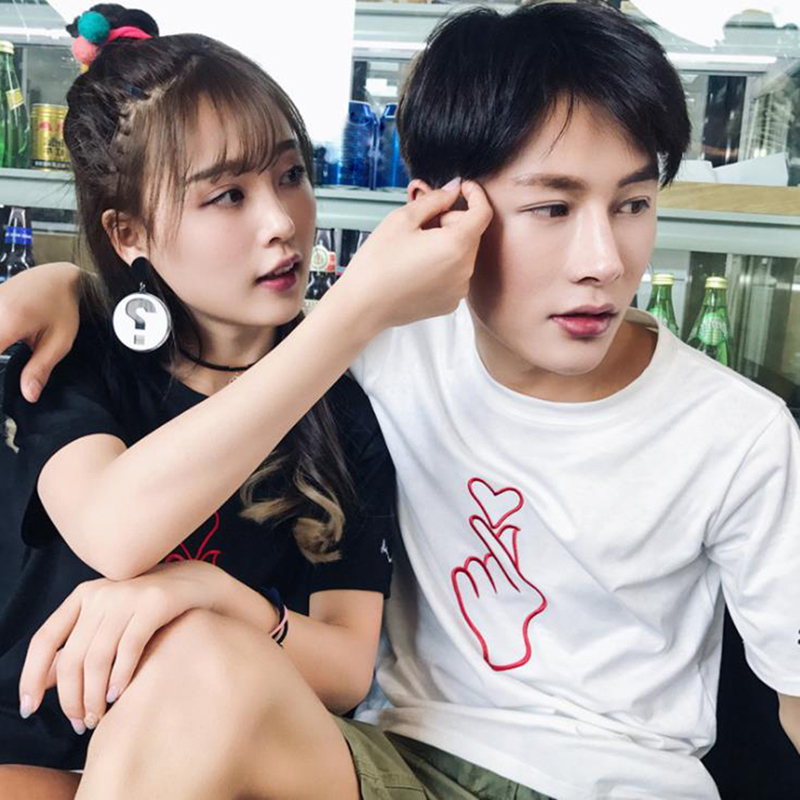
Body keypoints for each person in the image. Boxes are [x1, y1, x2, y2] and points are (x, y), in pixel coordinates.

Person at [2, 3, 800, 800]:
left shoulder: (739, 434)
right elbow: (154, 460)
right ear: (442, 213)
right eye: (553, 208)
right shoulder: (380, 353)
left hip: (611, 781)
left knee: (194, 652)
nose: (604, 262)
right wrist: (66, 285)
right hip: (388, 763)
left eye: (633, 204)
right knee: (176, 674)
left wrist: (203, 590)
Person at [0, 5, 490, 799]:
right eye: (227, 195)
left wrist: (211, 594)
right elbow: (114, 529)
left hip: (229, 752)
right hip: (37, 752)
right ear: (129, 234)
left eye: (291, 174)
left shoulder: (345, 413)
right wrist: (353, 315)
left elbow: (345, 669)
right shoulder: (77, 353)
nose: (281, 223)